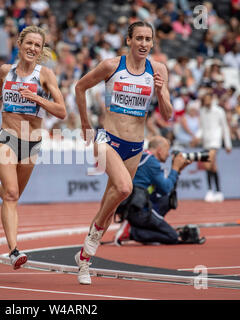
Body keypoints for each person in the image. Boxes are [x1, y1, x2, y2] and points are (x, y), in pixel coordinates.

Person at [74, 21, 173, 285]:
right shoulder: (111, 66)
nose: (143, 43)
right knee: (124, 188)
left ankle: (84, 258)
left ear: (152, 43)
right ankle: (93, 240)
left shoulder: (158, 70)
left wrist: (162, 91)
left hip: (135, 146)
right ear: (128, 40)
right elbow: (80, 87)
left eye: (148, 39)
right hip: (107, 138)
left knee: (112, 201)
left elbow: (168, 114)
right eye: (139, 38)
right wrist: (85, 124)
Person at [0, 26, 66, 270]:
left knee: (13, 195)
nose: (33, 48)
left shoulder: (45, 75)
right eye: (29, 43)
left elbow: (62, 111)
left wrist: (38, 99)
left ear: (41, 50)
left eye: (38, 45)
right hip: (7, 139)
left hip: (32, 143)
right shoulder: (6, 71)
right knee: (11, 196)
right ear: (20, 44)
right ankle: (13, 251)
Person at [113, 135, 194, 246]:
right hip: (137, 209)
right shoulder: (151, 162)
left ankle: (137, 227)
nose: (169, 154)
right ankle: (132, 231)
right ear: (159, 150)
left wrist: (178, 171)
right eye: (167, 150)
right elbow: (165, 188)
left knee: (167, 200)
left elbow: (163, 189)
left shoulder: (142, 156)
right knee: (172, 237)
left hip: (129, 206)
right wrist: (175, 168)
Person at [192, 93, 232, 202]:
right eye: (205, 99)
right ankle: (218, 192)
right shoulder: (202, 112)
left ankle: (210, 190)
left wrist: (228, 144)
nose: (207, 101)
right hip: (206, 142)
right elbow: (202, 128)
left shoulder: (219, 111)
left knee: (208, 163)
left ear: (212, 99)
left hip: (215, 141)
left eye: (208, 99)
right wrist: (196, 137)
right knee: (212, 167)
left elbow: (224, 127)